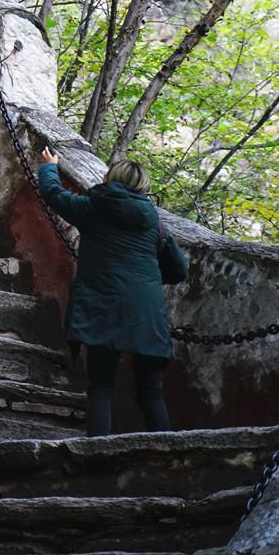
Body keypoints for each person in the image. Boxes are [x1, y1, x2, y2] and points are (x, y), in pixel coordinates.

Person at [38, 147, 188, 437]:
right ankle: (169, 455)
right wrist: (146, 281)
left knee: (101, 386)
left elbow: (54, 196)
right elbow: (178, 270)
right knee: (151, 393)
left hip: (102, 305)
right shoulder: (155, 223)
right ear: (144, 187)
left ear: (110, 178)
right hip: (146, 310)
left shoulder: (93, 208)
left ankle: (100, 455)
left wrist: (49, 167)